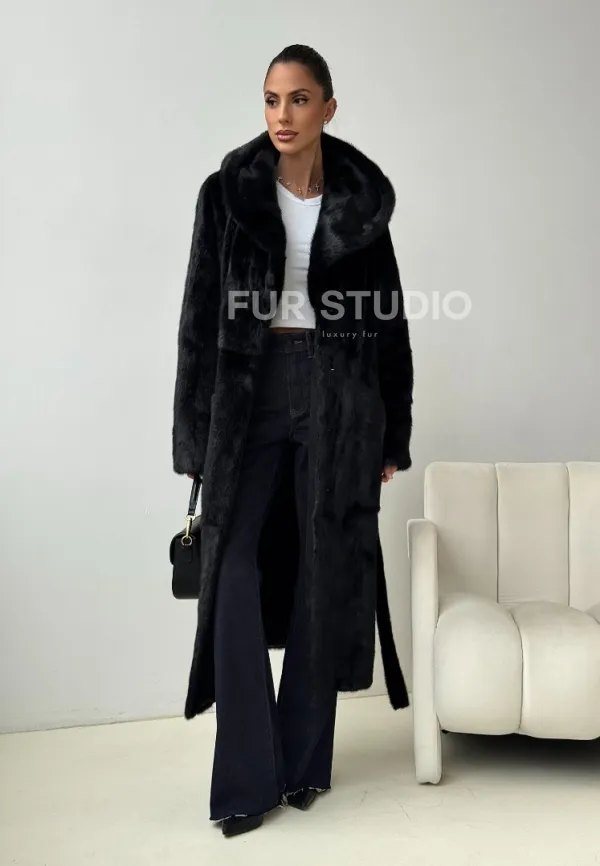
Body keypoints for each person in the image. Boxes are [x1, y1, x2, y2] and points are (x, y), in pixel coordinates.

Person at [172, 44, 414, 838]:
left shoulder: (359, 203)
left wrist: (393, 430)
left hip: (337, 393)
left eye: (300, 99)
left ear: (328, 109)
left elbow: (389, 322)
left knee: (323, 565)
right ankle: (247, 776)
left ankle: (305, 761)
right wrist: (194, 436)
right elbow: (197, 318)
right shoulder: (227, 195)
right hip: (250, 391)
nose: (283, 114)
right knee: (232, 566)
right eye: (272, 99)